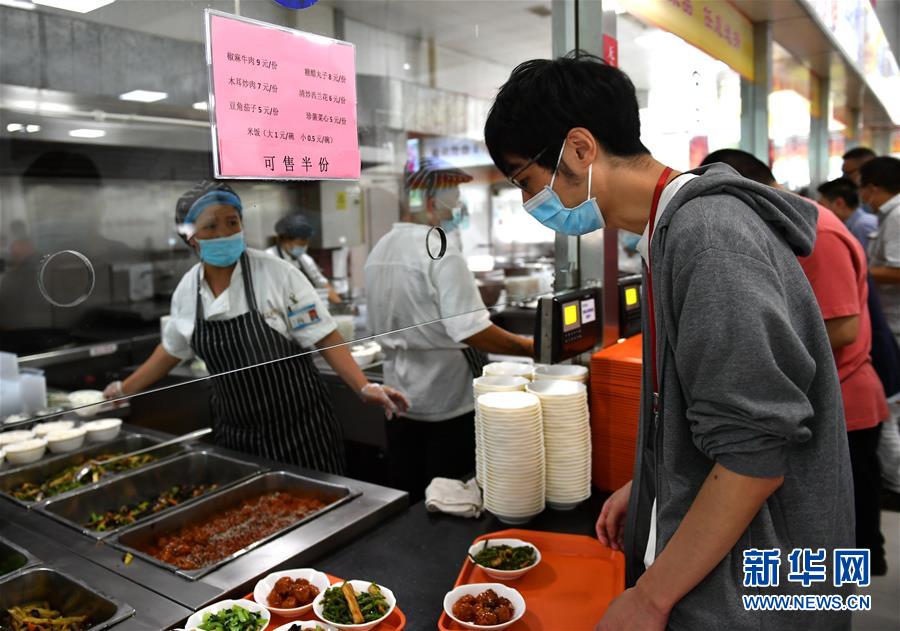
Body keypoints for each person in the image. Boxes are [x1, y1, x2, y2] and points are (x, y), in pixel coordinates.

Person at [484, 53, 853, 630]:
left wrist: (650, 598)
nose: (533, 203)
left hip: (768, 585)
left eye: (527, 181)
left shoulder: (708, 239)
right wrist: (657, 476)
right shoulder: (668, 232)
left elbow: (753, 457)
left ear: (580, 149)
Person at [104, 181, 408, 474]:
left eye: (232, 222)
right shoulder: (187, 290)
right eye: (211, 226)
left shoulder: (277, 274)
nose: (225, 232)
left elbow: (324, 335)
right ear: (190, 236)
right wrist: (123, 389)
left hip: (301, 431)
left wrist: (363, 386)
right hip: (237, 434)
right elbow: (171, 349)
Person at [701, 149, 889, 575]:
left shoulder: (817, 233)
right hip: (821, 399)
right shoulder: (786, 225)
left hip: (845, 401)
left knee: (839, 544)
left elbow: (843, 328)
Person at [364, 158, 532, 501]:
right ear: (429, 203)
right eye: (453, 200)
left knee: (407, 497)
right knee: (452, 500)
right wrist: (530, 347)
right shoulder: (439, 249)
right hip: (448, 405)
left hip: (399, 400)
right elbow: (469, 330)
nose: (458, 208)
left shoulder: (379, 250)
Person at [859, 156, 900, 501]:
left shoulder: (897, 215)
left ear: (872, 188)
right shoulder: (888, 215)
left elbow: (899, 270)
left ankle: (897, 481)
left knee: (890, 406)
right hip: (889, 320)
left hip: (896, 322)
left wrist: (858, 271)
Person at [266, 213, 342, 304]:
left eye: (306, 244)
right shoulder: (268, 258)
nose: (303, 247)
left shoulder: (305, 259)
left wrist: (340, 305)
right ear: (285, 240)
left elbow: (322, 283)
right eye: (300, 244)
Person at [817, 177, 878, 252]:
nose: (819, 211)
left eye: (822, 206)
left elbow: (868, 261)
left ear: (839, 203)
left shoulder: (863, 225)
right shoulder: (854, 224)